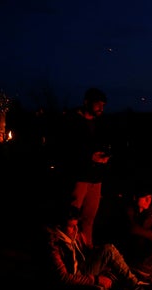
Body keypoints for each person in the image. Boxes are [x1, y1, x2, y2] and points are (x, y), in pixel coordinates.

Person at [51, 87, 112, 248]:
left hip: (95, 177)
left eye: (103, 105)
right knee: (71, 217)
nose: (101, 108)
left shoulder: (99, 123)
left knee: (89, 218)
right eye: (98, 104)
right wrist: (89, 156)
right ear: (87, 102)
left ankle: (86, 250)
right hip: (79, 176)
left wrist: (105, 156)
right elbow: (66, 148)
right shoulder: (72, 120)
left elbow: (104, 142)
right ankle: (65, 250)